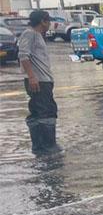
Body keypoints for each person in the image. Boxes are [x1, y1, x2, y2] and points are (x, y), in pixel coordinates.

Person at [19, 10, 60, 154]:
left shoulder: (37, 35)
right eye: (49, 21)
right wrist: (32, 77)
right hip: (39, 81)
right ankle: (48, 148)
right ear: (43, 21)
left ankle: (41, 148)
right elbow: (23, 56)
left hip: (43, 80)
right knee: (46, 112)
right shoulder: (29, 34)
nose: (50, 24)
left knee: (40, 112)